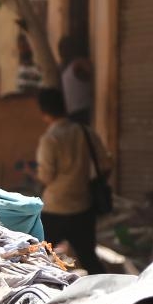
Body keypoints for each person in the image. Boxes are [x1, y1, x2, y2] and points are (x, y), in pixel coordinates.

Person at [35, 88, 110, 275]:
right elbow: (106, 163)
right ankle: (106, 295)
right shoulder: (86, 132)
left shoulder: (50, 138)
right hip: (83, 207)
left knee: (38, 257)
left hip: (55, 209)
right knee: (89, 259)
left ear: (44, 113)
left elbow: (46, 176)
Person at [59, 36, 93, 125]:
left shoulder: (78, 63)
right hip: (71, 113)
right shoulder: (63, 68)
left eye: (67, 48)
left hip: (82, 111)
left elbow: (91, 74)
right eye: (62, 49)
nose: (64, 52)